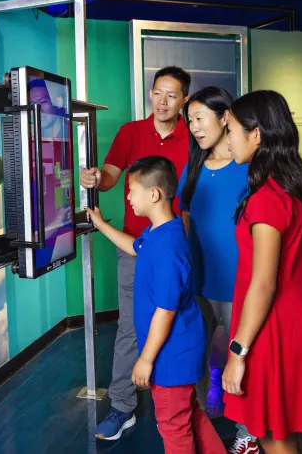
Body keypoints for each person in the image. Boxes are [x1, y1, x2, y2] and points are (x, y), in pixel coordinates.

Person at [86, 156, 225, 454]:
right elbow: (134, 247)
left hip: (170, 358)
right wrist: (99, 224)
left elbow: (166, 310)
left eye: (131, 190)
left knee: (173, 427)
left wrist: (145, 359)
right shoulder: (161, 232)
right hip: (179, 352)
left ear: (153, 194)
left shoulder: (169, 249)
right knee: (189, 416)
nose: (127, 197)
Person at [81, 66, 191, 440]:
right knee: (130, 325)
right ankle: (122, 405)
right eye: (157, 92)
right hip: (136, 246)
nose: (162, 101)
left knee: (186, 319)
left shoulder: (194, 136)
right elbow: (110, 176)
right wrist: (98, 179)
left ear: (184, 101)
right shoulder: (131, 132)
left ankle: (184, 402)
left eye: (171, 95)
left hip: (180, 246)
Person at [222, 90, 302, 454]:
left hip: (271, 326)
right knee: (278, 428)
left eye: (232, 130)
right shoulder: (284, 187)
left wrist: (238, 353)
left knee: (273, 432)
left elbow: (264, 283)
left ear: (256, 135)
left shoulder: (267, 198)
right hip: (286, 318)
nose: (228, 140)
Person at [176, 87, 259, 454]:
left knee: (243, 356)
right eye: (189, 120)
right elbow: (184, 216)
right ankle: (196, 426)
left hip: (241, 281)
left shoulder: (250, 164)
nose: (193, 127)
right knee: (193, 353)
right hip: (200, 279)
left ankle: (247, 429)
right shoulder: (193, 166)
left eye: (199, 118)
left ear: (225, 117)